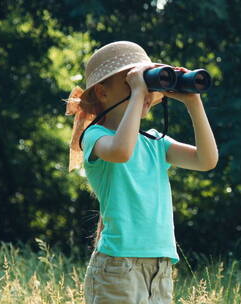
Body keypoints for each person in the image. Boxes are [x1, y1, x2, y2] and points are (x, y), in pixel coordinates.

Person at [62, 41, 218, 304]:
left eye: (148, 83)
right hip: (118, 265)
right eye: (131, 82)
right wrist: (138, 92)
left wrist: (194, 102)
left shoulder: (155, 141)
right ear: (102, 92)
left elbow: (206, 160)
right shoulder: (95, 136)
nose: (144, 92)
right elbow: (122, 151)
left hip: (160, 265)